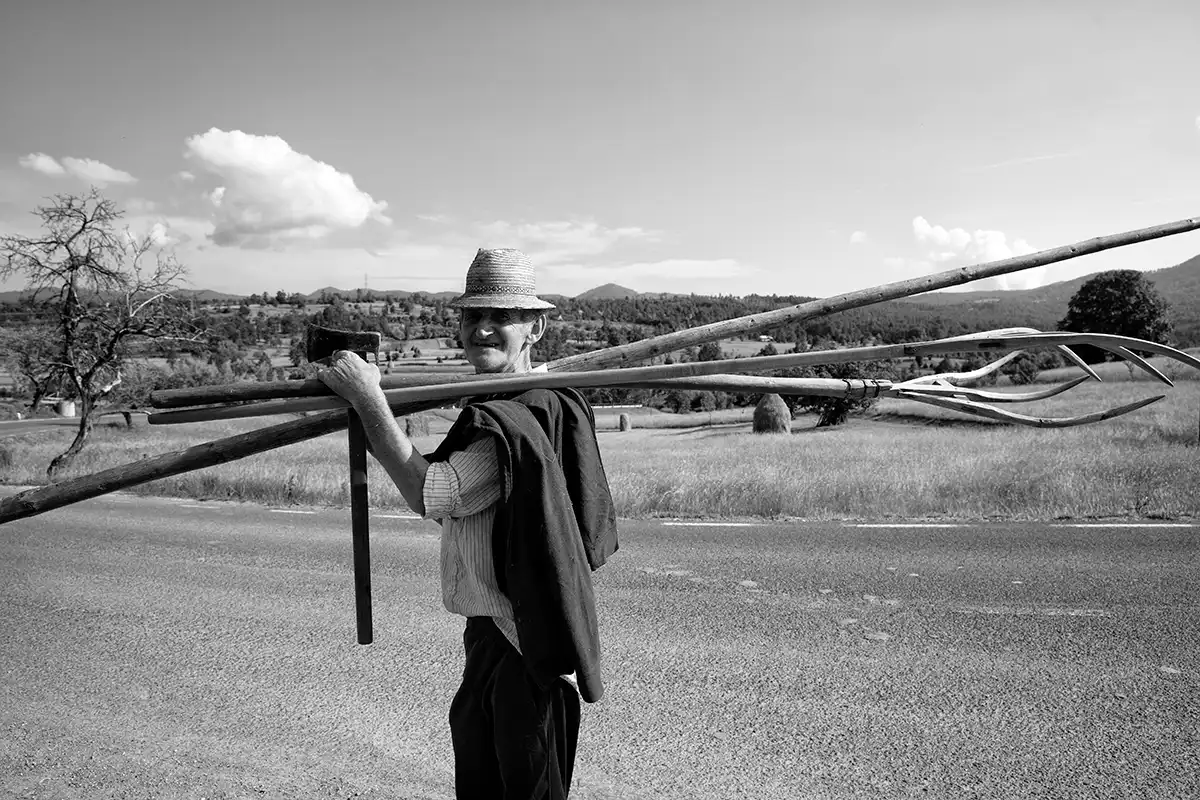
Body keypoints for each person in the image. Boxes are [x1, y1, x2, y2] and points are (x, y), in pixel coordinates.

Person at [317, 247, 619, 800]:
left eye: (500, 317)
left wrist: (367, 400)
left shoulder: (519, 416)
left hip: (521, 646)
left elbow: (431, 493)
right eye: (471, 316)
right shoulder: (505, 403)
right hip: (492, 639)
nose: (481, 329)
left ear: (536, 328)